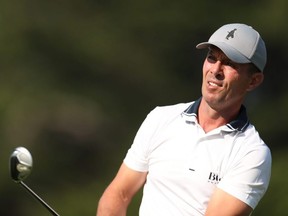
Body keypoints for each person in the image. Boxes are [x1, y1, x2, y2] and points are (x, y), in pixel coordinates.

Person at [96, 23, 272, 216]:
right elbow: (118, 194)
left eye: (230, 63)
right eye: (212, 58)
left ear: (254, 81)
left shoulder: (252, 153)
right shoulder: (160, 118)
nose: (216, 70)